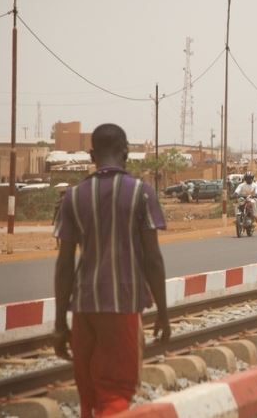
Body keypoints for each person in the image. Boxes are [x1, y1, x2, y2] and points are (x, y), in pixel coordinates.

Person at [53, 123, 170, 417]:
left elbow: (64, 264)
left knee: (89, 397)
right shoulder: (141, 194)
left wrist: (59, 323)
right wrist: (164, 314)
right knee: (115, 394)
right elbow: (153, 260)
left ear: (92, 155)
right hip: (123, 306)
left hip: (83, 309)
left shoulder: (73, 197)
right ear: (126, 152)